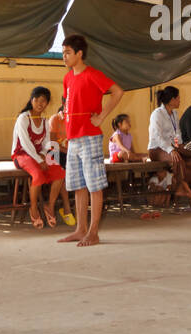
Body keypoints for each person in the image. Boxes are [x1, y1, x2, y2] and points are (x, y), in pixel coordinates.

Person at [58, 35, 123, 247]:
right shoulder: (68, 78)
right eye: (63, 52)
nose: (64, 56)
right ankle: (80, 229)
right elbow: (68, 102)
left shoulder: (93, 74)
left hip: (90, 137)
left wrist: (102, 116)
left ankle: (93, 232)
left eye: (68, 52)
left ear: (79, 54)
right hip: (73, 139)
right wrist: (63, 116)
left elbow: (117, 92)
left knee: (94, 185)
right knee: (78, 185)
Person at [12, 86, 75, 229]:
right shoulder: (23, 118)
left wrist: (45, 154)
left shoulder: (45, 121)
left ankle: (50, 206)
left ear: (47, 103)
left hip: (39, 155)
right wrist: (40, 160)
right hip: (21, 155)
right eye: (37, 100)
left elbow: (47, 142)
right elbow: (25, 143)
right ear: (31, 100)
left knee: (59, 173)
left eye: (44, 101)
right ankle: (33, 209)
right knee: (38, 174)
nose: (40, 104)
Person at [148, 87, 191, 205]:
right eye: (178, 98)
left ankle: (184, 186)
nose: (180, 100)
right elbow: (157, 137)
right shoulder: (157, 114)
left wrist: (179, 146)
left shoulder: (174, 113)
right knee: (177, 159)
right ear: (172, 99)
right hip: (156, 149)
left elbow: (177, 132)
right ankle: (182, 189)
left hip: (173, 146)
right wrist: (171, 150)